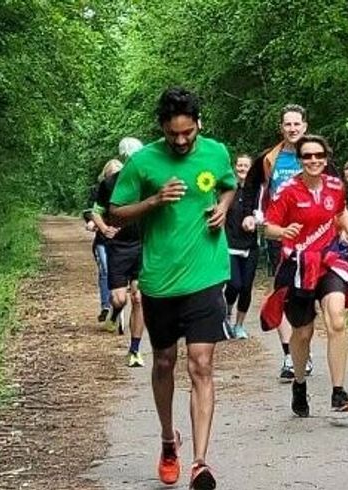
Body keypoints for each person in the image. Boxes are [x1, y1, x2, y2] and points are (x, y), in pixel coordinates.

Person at [109, 87, 236, 490]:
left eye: (187, 133)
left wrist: (224, 206)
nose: (181, 141)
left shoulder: (216, 152)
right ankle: (169, 440)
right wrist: (154, 201)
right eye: (172, 135)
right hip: (161, 280)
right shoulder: (144, 162)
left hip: (206, 274)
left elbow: (229, 185)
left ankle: (200, 462)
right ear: (162, 129)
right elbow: (116, 213)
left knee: (201, 364)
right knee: (164, 362)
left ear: (198, 124)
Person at [260, 134, 348, 416]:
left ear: (326, 157)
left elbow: (341, 213)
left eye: (319, 155)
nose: (314, 161)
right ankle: (299, 382)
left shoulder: (335, 186)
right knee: (303, 332)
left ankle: (338, 392)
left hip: (330, 259)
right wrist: (282, 232)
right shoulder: (288, 190)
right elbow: (267, 226)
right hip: (299, 265)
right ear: (300, 160)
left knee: (338, 320)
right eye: (307, 156)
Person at [243, 104, 314, 380]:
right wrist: (251, 214)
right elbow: (250, 187)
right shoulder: (269, 158)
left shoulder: (315, 154)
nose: (293, 129)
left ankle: (302, 350)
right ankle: (289, 355)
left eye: (297, 124)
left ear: (305, 127)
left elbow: (334, 189)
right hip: (279, 233)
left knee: (307, 297)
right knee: (284, 293)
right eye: (288, 125)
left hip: (313, 235)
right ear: (281, 128)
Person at [91, 143, 147, 368]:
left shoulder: (148, 182)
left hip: (143, 245)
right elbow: (96, 212)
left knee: (138, 298)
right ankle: (115, 314)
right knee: (119, 298)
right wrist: (104, 229)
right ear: (125, 159)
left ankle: (134, 350)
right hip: (118, 247)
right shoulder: (109, 184)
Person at [223, 154, 258, 339]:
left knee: (246, 287)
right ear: (235, 167)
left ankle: (239, 325)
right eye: (240, 165)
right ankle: (227, 313)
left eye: (246, 165)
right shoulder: (228, 189)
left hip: (251, 246)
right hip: (230, 244)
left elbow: (264, 212)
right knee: (234, 284)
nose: (243, 168)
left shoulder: (256, 191)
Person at [83, 163, 115, 325]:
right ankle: (105, 306)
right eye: (112, 174)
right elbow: (92, 212)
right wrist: (92, 222)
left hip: (125, 241)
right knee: (105, 270)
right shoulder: (99, 190)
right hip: (103, 239)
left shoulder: (130, 190)